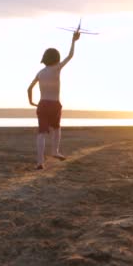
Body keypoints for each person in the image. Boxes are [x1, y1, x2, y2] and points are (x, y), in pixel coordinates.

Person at [27, 30, 81, 170]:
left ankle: (39, 162)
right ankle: (55, 151)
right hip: (55, 104)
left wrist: (31, 102)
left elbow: (29, 88)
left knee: (41, 133)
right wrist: (73, 41)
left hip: (42, 104)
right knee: (56, 129)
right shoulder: (56, 69)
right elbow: (70, 56)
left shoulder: (40, 72)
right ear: (56, 58)